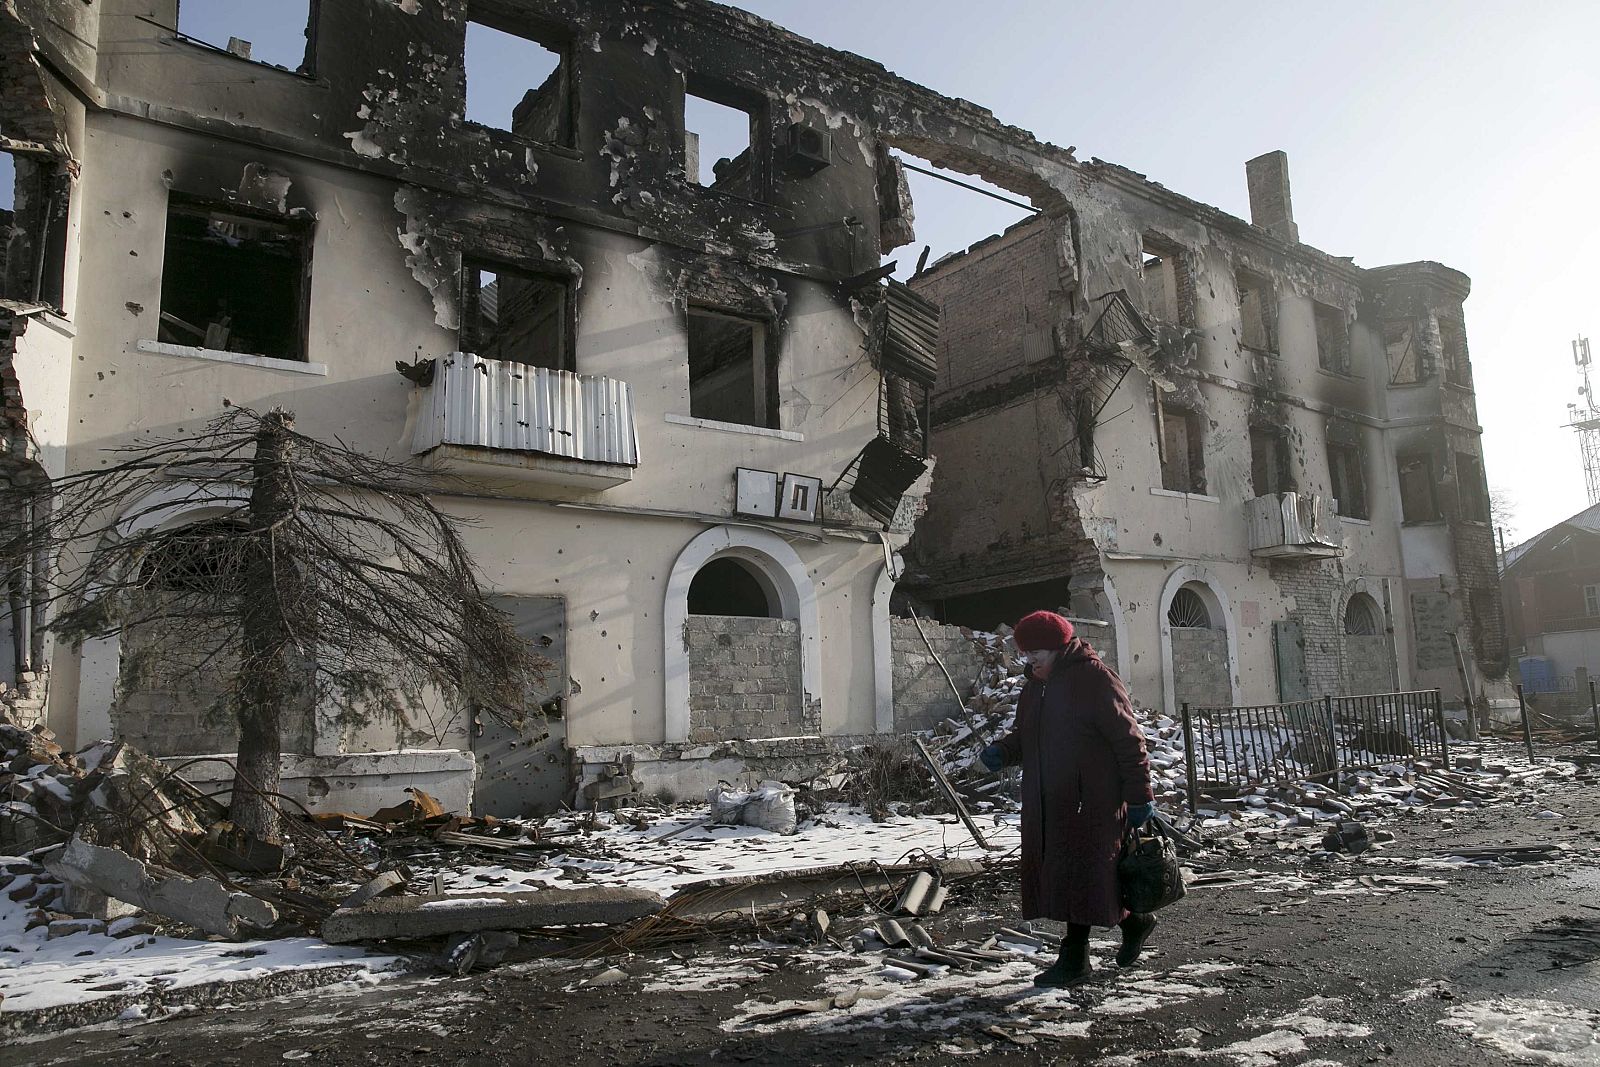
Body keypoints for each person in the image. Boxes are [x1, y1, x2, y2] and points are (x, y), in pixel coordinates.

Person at [977, 610, 1158, 987]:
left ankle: (1075, 960)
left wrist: (1139, 795)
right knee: (1072, 877)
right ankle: (1136, 921)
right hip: (1049, 800)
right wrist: (1003, 751)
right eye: (1026, 654)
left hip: (1092, 800)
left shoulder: (1095, 679)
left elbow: (1130, 741)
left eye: (1037, 652)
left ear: (1059, 647)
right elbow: (1027, 736)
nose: (1030, 660)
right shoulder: (1035, 688)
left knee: (1082, 876)